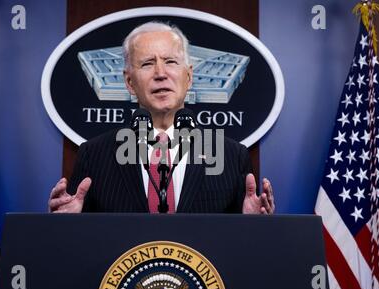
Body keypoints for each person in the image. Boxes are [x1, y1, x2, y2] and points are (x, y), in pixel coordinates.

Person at [48, 21, 275, 215]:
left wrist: (253, 224)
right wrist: (67, 223)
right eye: (147, 63)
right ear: (129, 82)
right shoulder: (95, 155)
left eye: (171, 62)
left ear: (189, 76)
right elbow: (77, 245)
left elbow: (244, 246)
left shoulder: (231, 156)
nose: (160, 73)